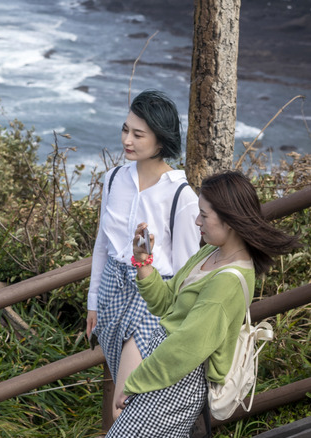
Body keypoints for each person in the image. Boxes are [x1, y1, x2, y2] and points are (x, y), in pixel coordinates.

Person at [107, 170, 300, 437]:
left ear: (230, 220)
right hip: (163, 369)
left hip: (176, 380)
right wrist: (142, 261)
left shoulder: (228, 282)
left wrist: (133, 383)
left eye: (204, 215)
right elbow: (165, 304)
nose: (197, 221)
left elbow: (187, 346)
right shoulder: (211, 252)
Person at [87, 89, 200, 419]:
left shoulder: (181, 194)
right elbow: (102, 246)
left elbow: (186, 269)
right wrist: (93, 299)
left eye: (138, 134)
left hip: (152, 296)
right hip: (110, 289)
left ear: (161, 140)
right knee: (128, 400)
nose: (127, 140)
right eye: (125, 130)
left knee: (125, 402)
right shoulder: (113, 179)